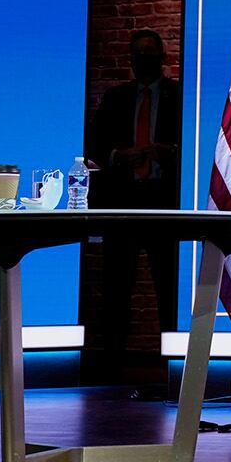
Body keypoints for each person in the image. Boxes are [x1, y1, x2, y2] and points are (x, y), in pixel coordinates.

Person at [83, 28, 183, 384]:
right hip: (122, 203)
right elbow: (93, 144)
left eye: (150, 52)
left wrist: (170, 152)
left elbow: (195, 142)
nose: (144, 58)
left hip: (165, 204)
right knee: (116, 288)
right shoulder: (116, 97)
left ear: (162, 57)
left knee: (169, 287)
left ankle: (175, 368)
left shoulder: (179, 96)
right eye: (137, 53)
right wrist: (118, 156)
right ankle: (111, 372)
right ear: (130, 59)